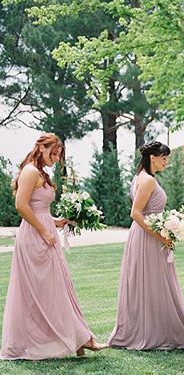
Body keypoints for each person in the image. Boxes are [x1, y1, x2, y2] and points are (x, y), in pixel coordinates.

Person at [1, 133, 106, 360]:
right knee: (48, 291)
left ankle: (79, 338)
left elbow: (39, 208)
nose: (57, 159)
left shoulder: (41, 174)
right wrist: (44, 230)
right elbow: (21, 205)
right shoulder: (30, 172)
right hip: (35, 238)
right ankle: (79, 339)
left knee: (60, 288)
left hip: (45, 233)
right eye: (54, 153)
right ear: (41, 148)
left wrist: (58, 222)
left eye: (59, 155)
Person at [108, 141, 184, 350]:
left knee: (154, 283)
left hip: (146, 234)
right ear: (152, 157)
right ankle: (157, 333)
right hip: (148, 237)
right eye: (164, 157)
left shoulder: (141, 178)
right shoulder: (147, 181)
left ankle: (155, 329)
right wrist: (161, 237)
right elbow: (135, 213)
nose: (166, 161)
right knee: (154, 282)